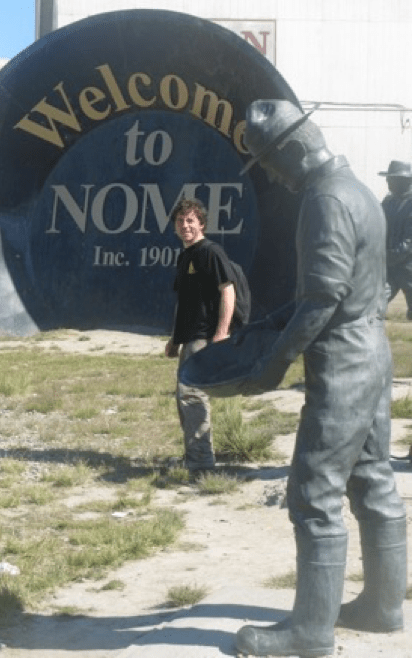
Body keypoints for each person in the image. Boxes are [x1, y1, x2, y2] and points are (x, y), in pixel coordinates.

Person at [234, 100, 407, 657]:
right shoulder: (358, 190)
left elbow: (322, 299)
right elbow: (341, 288)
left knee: (314, 492)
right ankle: (383, 606)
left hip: (344, 364)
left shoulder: (324, 198)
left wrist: (273, 363)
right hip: (372, 350)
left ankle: (310, 631)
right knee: (373, 481)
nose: (270, 174)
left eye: (268, 161)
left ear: (290, 148)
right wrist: (272, 324)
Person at [165, 198, 236, 480]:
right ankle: (194, 455)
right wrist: (175, 339)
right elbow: (184, 303)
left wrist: (221, 333)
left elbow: (227, 290)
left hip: (205, 336)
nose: (185, 226)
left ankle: (201, 464)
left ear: (202, 224)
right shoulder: (185, 256)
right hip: (189, 338)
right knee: (184, 397)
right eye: (180, 221)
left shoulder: (210, 252)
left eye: (191, 220)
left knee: (193, 396)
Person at [378, 160, 412, 319]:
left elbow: (409, 242)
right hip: (389, 267)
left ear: (404, 181)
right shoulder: (387, 202)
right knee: (375, 304)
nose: (388, 182)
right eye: (388, 178)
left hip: (408, 268)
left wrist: (385, 256)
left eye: (391, 179)